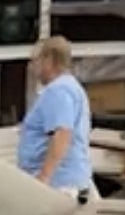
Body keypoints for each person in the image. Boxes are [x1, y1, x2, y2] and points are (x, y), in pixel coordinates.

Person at [19, 36, 95, 203]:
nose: (32, 68)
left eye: (36, 61)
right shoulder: (72, 87)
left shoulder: (58, 91)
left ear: (49, 60)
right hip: (67, 180)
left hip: (58, 184)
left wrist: (44, 177)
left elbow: (62, 134)